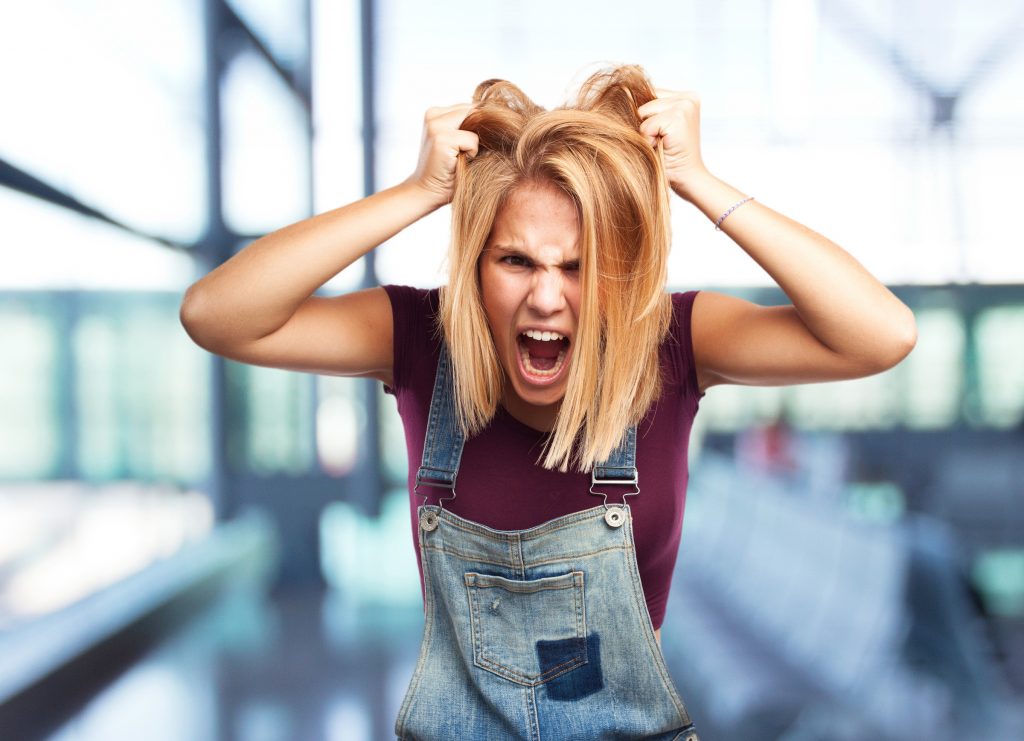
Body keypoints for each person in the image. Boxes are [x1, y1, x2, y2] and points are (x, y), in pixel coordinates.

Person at [180, 65, 917, 740]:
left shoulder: (672, 341)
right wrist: (415, 193)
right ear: (475, 266)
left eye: (579, 265)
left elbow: (880, 334)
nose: (545, 295)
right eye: (515, 260)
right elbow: (217, 313)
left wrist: (701, 182)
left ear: (621, 276)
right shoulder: (420, 339)